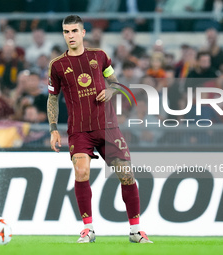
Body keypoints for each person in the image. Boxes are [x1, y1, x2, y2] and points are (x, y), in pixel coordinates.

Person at [47, 15, 152, 244]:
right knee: (82, 171)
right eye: (66, 32)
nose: (70, 35)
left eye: (74, 31)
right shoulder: (57, 65)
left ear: (83, 33)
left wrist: (113, 91)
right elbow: (52, 98)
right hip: (80, 129)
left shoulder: (100, 56)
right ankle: (88, 229)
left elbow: (115, 83)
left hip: (107, 126)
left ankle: (135, 231)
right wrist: (54, 128)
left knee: (126, 175)